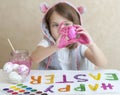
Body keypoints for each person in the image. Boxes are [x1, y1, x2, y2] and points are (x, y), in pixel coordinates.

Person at [31, 1, 107, 70]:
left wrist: (91, 45)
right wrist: (55, 47)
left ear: (75, 25)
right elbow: (34, 58)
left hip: (76, 83)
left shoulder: (79, 45)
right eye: (55, 25)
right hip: (53, 83)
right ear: (48, 28)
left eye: (66, 24)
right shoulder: (47, 43)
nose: (61, 29)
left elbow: (102, 63)